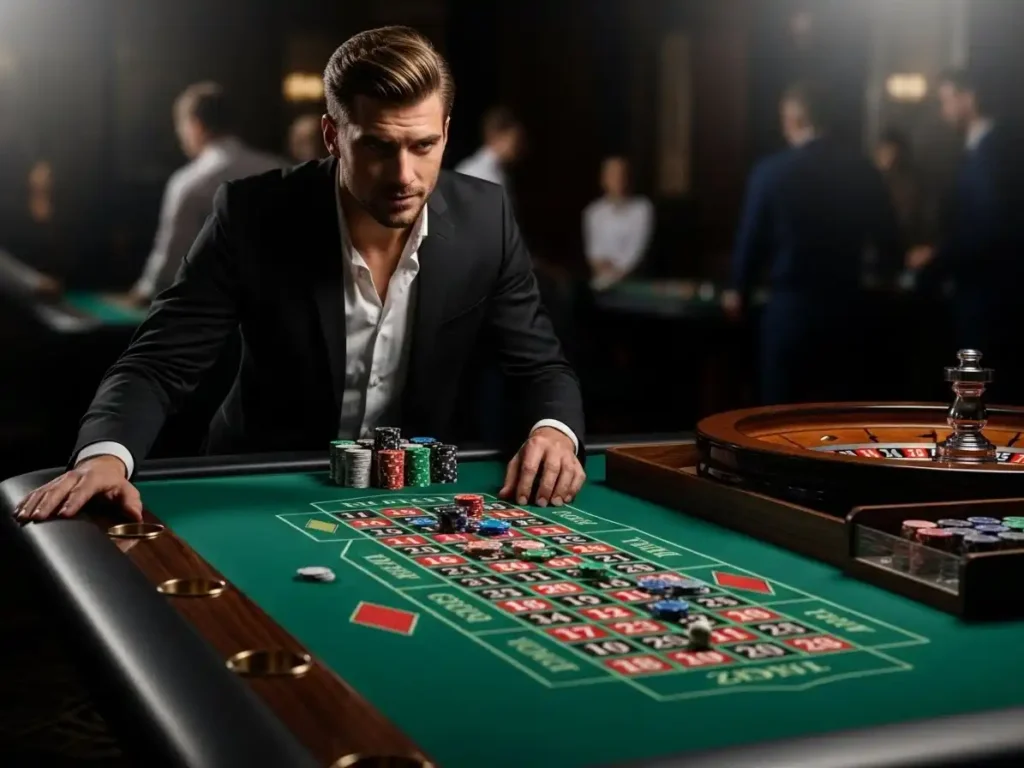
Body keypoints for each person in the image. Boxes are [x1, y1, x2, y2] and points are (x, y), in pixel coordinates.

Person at [15, 26, 586, 523]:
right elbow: (159, 362)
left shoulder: (486, 218)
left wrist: (552, 432)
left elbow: (539, 365)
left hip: (413, 498)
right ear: (334, 136)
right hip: (260, 486)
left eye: (423, 145)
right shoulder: (251, 214)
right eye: (378, 147)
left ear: (446, 132)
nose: (404, 175)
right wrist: (105, 457)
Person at [723, 81, 903, 405]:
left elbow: (751, 239)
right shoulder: (863, 171)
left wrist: (738, 289)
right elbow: (890, 241)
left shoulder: (771, 172)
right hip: (847, 310)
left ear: (792, 120)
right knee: (841, 417)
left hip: (789, 310)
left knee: (779, 418)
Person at [110, 82, 286, 307]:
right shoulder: (279, 168)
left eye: (180, 127)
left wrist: (144, 292)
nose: (180, 135)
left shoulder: (190, 181)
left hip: (213, 313)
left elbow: (172, 256)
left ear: (195, 125)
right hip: (278, 310)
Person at [916, 67, 1024, 400]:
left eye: (947, 100)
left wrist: (937, 256)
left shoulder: (990, 154)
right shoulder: (989, 149)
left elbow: (989, 226)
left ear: (969, 98)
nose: (943, 110)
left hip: (988, 296)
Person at [582, 156, 654, 291]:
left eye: (622, 174)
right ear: (603, 180)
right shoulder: (593, 212)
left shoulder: (642, 209)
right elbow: (594, 252)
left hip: (633, 283)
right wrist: (602, 270)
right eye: (613, 175)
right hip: (601, 283)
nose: (619, 179)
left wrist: (618, 272)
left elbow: (636, 251)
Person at [872, 128, 934, 271]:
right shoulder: (871, 183)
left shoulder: (913, 186)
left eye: (890, 151)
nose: (887, 157)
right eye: (882, 151)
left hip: (908, 254)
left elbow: (923, 221)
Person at [454, 106, 523, 188]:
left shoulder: (500, 172)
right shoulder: (473, 172)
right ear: (499, 135)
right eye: (515, 141)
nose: (519, 146)